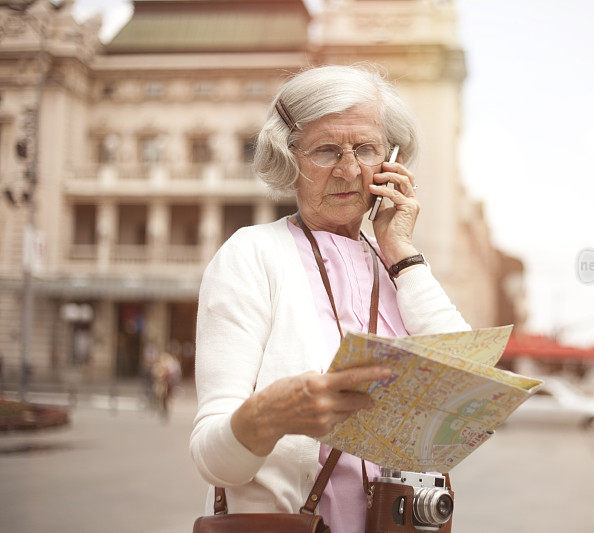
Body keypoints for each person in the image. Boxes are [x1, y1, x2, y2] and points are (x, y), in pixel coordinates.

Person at [189, 65, 470, 531]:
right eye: (325, 150)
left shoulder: (396, 266)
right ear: (289, 158)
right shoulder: (251, 254)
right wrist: (267, 415)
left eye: (365, 149)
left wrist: (401, 249)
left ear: (391, 160)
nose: (349, 169)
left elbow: (463, 386)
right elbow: (213, 462)